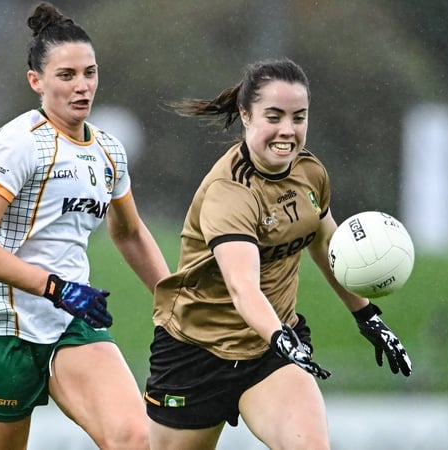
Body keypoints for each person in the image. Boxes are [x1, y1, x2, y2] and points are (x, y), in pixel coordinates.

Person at [144, 58, 413, 450]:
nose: (287, 130)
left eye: (298, 117)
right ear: (245, 115)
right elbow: (242, 288)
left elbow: (325, 243)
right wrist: (279, 338)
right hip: (194, 353)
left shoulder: (310, 172)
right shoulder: (229, 192)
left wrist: (366, 314)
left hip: (269, 355)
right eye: (274, 116)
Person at [0, 3, 170, 450]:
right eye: (67, 75)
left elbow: (129, 232)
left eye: (90, 72)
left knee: (136, 438)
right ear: (36, 82)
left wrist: (176, 300)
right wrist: (56, 287)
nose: (82, 86)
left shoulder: (108, 151)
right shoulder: (17, 145)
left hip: (69, 323)